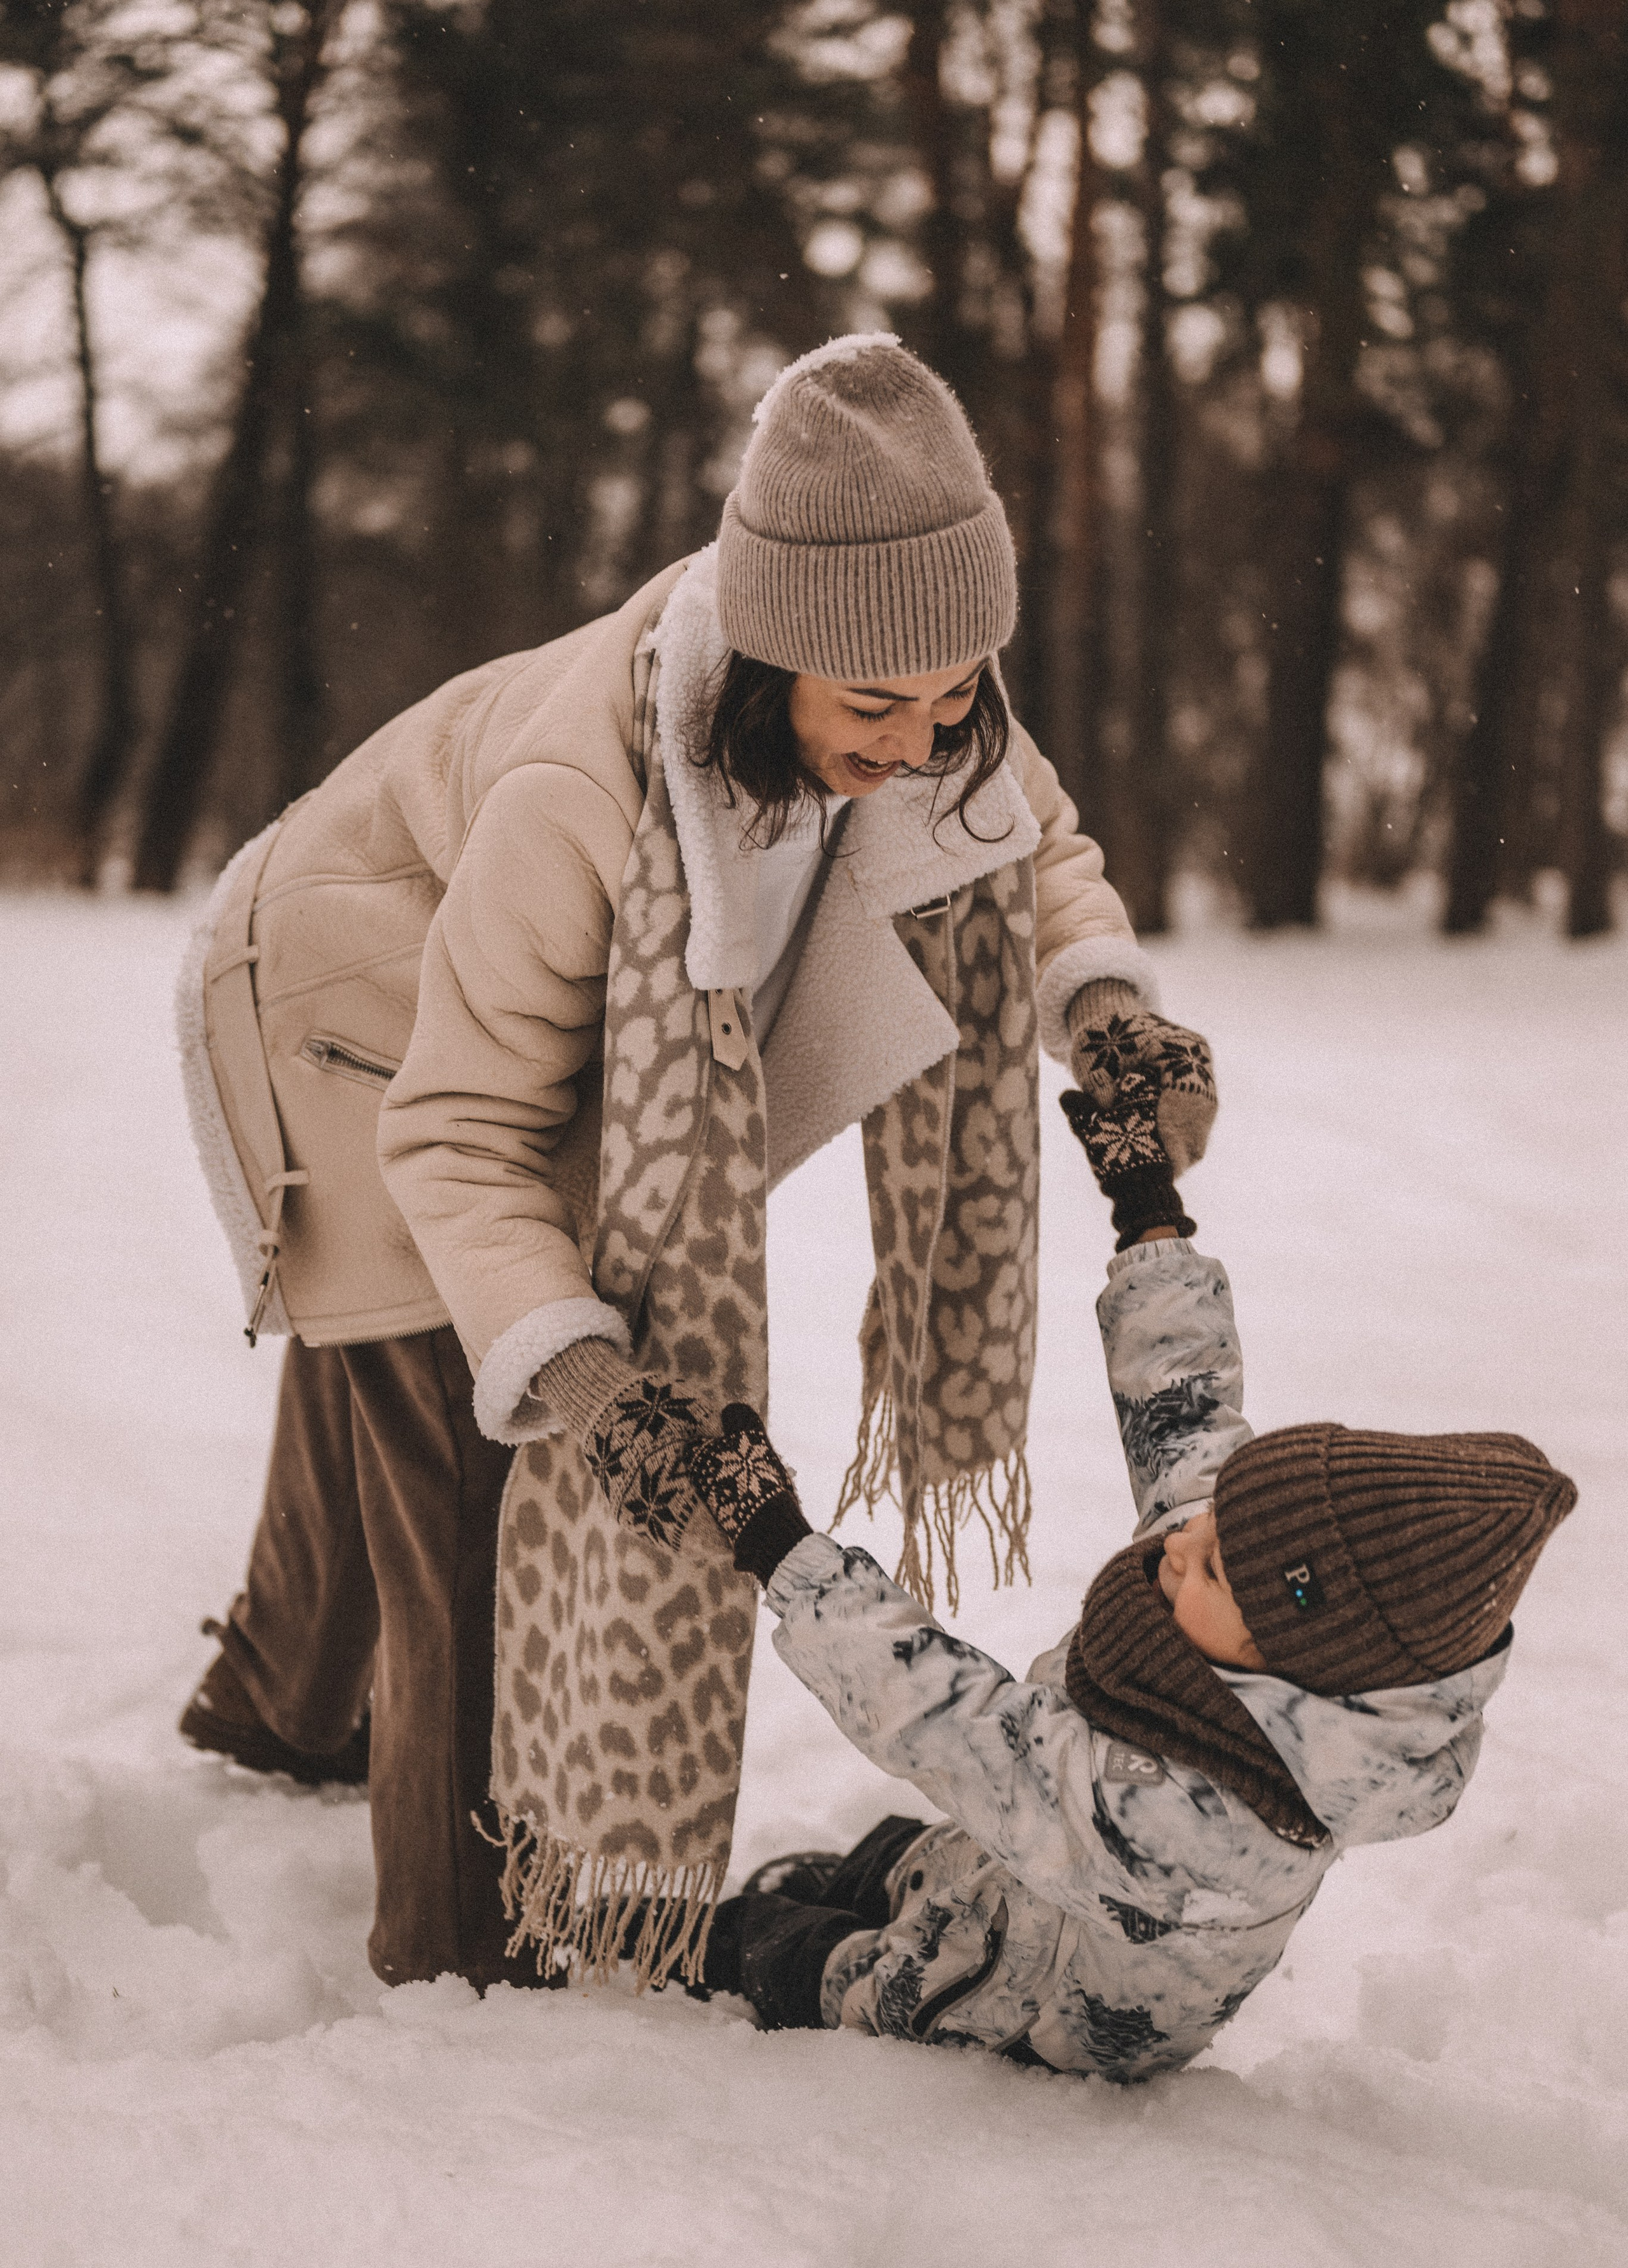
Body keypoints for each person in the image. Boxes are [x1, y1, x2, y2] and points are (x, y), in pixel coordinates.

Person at [174, 333, 1218, 1990]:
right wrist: (589, 1387)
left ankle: (274, 1709)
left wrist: (1103, 1014)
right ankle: (460, 1957)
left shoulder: (926, 703)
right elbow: (455, 1129)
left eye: (953, 702)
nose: (917, 740)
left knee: (372, 1369)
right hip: (337, 1011)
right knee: (449, 1443)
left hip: (501, 1024)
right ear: (770, 661)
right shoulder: (582, 796)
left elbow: (1039, 857)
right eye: (876, 706)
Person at [677, 1072, 1576, 2077]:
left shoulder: (1195, 1817)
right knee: (909, 1854)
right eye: (1221, 1522)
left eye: (1218, 1568)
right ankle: (876, 1877)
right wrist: (1148, 1210)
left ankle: (723, 1951)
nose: (1180, 1546)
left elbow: (957, 1725)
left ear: (1305, 1664)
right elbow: (1185, 1414)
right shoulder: (1267, 1596)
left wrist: (777, 1546)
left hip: (1020, 1998)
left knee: (787, 1944)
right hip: (1025, 1864)